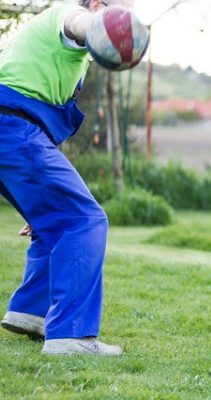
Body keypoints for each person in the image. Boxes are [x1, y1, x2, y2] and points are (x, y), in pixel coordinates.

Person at [0, 0, 132, 356]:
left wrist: (39, 202)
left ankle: (31, 312)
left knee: (53, 223)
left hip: (13, 132)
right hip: (12, 127)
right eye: (121, 10)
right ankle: (71, 336)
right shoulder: (67, 16)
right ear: (96, 5)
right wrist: (98, 25)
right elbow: (78, 23)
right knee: (83, 220)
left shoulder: (65, 54)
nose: (126, 19)